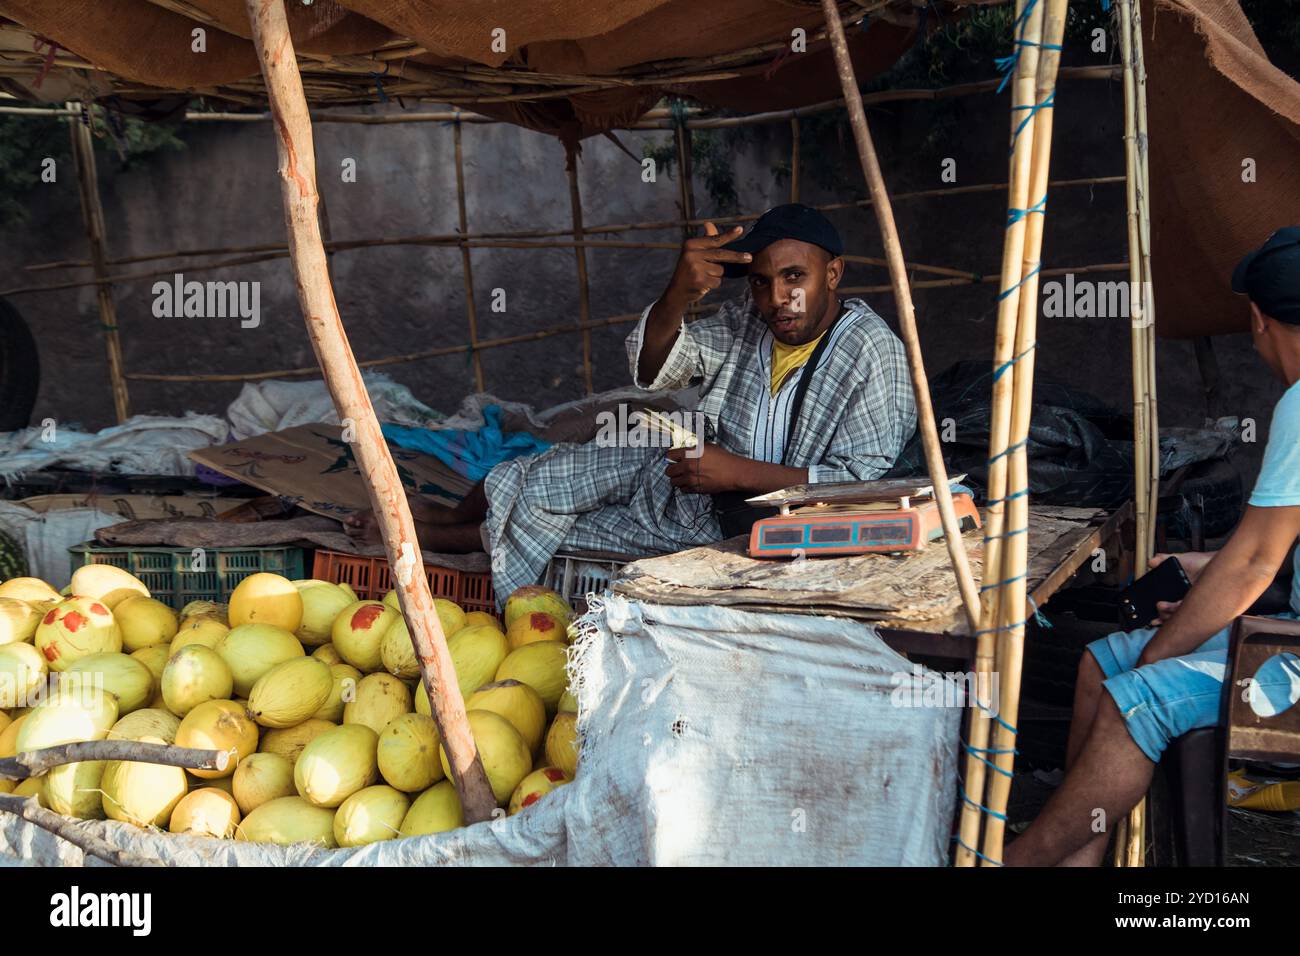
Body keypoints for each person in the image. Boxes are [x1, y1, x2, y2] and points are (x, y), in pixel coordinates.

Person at [346, 204, 918, 605]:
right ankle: (443, 517)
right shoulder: (752, 321)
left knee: (557, 532)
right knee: (541, 471)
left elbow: (861, 490)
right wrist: (677, 294)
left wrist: (732, 473)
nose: (776, 298)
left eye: (795, 278)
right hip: (687, 479)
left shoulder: (871, 353)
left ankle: (424, 538)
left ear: (833, 273)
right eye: (762, 282)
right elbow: (657, 369)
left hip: (739, 533)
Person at [1005, 226, 1300, 866]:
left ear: (1258, 321)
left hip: (1294, 658)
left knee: (1131, 694)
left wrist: (1169, 646)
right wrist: (1214, 584)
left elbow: (1253, 563)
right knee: (1101, 662)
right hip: (1288, 629)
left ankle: (1015, 864)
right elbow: (1267, 553)